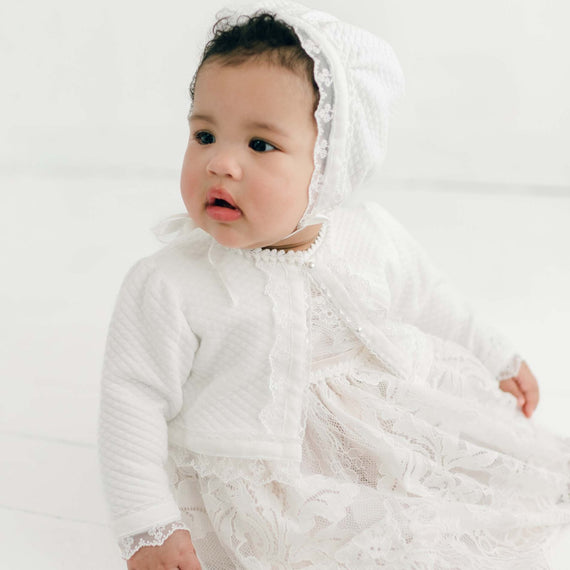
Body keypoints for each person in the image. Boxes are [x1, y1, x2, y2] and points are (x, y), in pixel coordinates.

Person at [97, 2, 570, 568]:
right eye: (204, 135)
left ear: (329, 164)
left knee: (472, 501)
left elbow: (433, 301)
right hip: (273, 481)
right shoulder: (171, 283)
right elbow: (131, 399)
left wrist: (496, 355)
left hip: (386, 432)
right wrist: (147, 523)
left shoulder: (367, 236)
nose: (221, 164)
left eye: (260, 145)